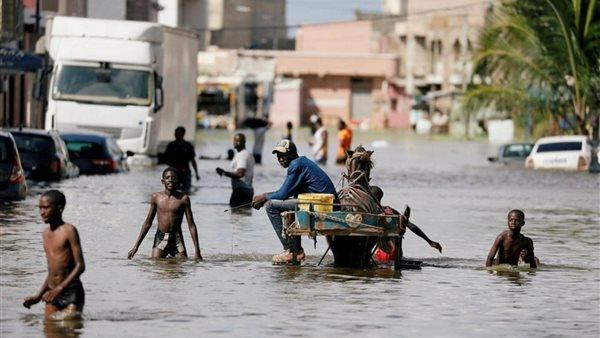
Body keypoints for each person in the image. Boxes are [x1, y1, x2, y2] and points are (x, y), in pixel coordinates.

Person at [251, 139, 338, 264]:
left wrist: (264, 196)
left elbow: (282, 194)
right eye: (278, 156)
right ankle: (296, 250)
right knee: (285, 203)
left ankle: (291, 250)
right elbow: (287, 193)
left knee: (270, 206)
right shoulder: (301, 162)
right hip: (320, 202)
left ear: (292, 154)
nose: (280, 159)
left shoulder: (296, 165)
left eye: (283, 155)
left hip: (321, 204)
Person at [23, 190, 86, 320]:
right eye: (40, 208)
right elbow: (52, 272)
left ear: (60, 208)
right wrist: (38, 296)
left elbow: (80, 266)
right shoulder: (45, 234)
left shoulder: (69, 231)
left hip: (71, 292)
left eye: (46, 208)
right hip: (51, 294)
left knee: (68, 328)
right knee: (50, 330)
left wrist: (59, 289)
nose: (42, 212)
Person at [128, 167, 202, 260]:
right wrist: (136, 247)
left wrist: (197, 251)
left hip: (177, 239)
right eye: (167, 177)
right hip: (161, 237)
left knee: (182, 265)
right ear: (163, 181)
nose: (170, 180)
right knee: (156, 263)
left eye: (173, 177)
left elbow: (191, 225)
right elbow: (147, 223)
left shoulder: (183, 199)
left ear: (178, 180)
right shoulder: (156, 197)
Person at [369, 186, 442, 263]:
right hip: (396, 253)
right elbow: (411, 226)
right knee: (397, 224)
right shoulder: (390, 211)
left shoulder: (369, 213)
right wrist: (429, 241)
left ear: (370, 198)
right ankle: (401, 225)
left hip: (381, 254)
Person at [216, 133, 254, 207]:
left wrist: (223, 173)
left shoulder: (242, 155)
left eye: (238, 141)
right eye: (234, 141)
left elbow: (240, 174)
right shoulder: (244, 154)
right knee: (242, 215)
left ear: (244, 142)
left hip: (241, 191)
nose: (235, 143)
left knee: (235, 216)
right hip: (246, 190)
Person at [164, 126, 200, 191]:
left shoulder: (188, 146)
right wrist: (172, 169)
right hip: (174, 173)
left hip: (186, 173)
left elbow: (193, 160)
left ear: (183, 133)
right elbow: (165, 159)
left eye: (178, 132)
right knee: (173, 191)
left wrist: (196, 173)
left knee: (186, 191)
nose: (176, 134)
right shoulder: (171, 145)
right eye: (175, 132)